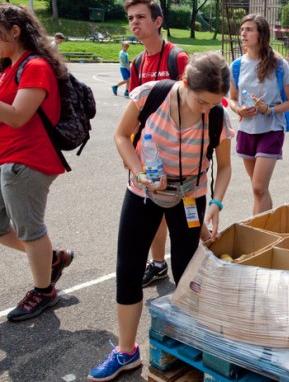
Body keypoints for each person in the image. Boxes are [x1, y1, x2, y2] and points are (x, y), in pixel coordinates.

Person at [88, 51, 233, 381]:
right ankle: (126, 350)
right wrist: (139, 172)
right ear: (185, 82)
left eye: (214, 104)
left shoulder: (217, 116)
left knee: (186, 270)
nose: (206, 110)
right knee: (128, 268)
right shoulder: (150, 96)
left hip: (190, 197)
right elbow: (121, 136)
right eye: (202, 102)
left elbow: (224, 167)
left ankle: (187, 340)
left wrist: (216, 204)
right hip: (143, 192)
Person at [0, 3, 74, 321]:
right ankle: (51, 259)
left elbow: (18, 116)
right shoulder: (8, 68)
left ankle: (44, 292)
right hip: (8, 157)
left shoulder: (35, 66)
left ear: (14, 31)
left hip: (27, 160)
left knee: (31, 230)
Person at [123, 0, 189, 287]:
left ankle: (190, 267)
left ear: (158, 21)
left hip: (179, 152)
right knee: (151, 208)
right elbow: (134, 112)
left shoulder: (178, 58)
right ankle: (159, 263)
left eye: (141, 17)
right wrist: (130, 150)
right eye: (130, 18)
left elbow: (192, 104)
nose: (134, 23)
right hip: (148, 152)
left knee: (179, 213)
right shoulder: (137, 63)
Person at [228, 13, 289, 215]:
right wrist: (238, 109)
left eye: (249, 30)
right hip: (247, 129)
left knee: (259, 187)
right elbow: (232, 98)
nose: (243, 33)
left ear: (261, 34)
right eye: (242, 29)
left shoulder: (279, 64)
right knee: (258, 188)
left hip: (271, 129)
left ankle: (256, 228)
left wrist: (270, 109)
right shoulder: (237, 66)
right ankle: (267, 225)